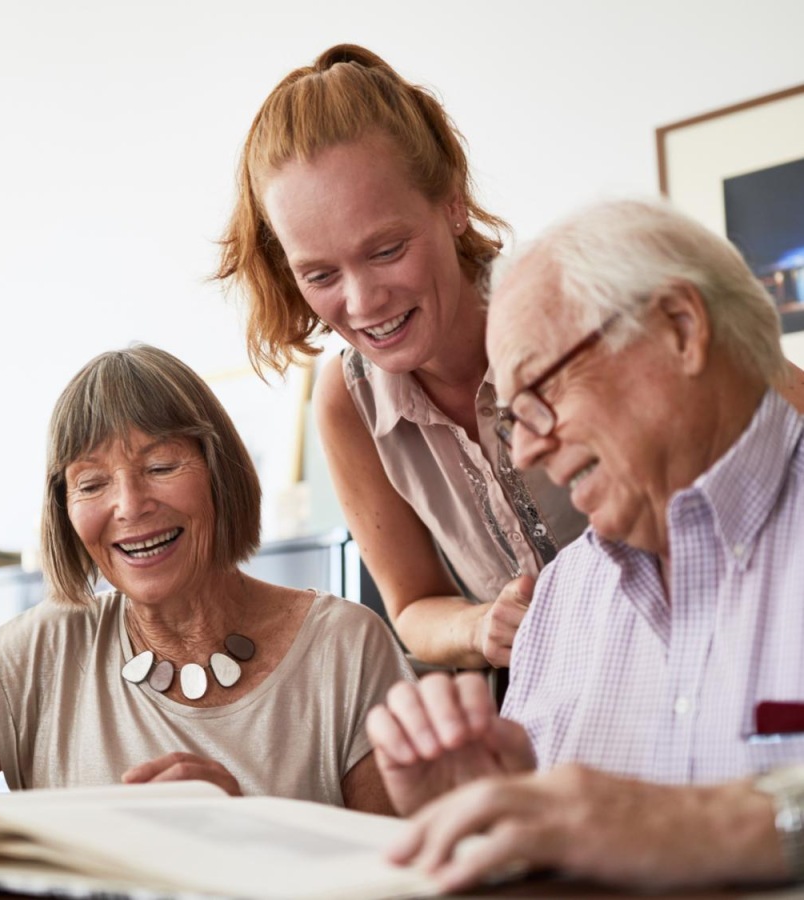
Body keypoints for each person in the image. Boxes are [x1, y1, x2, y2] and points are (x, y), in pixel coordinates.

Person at [217, 43, 804, 672]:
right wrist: (479, 626)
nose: (362, 301)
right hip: (554, 696)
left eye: (386, 250)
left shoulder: (579, 302)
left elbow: (787, 417)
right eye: (320, 273)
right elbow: (412, 606)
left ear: (452, 201)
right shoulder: (346, 403)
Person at [365, 197, 804, 890]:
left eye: (541, 393)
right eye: (514, 421)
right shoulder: (561, 599)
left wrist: (719, 824)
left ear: (680, 328)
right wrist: (494, 837)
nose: (529, 451)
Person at [0, 343, 414, 811]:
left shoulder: (347, 647)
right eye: (92, 483)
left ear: (219, 471)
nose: (128, 506)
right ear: (65, 510)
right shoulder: (41, 651)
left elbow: (412, 877)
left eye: (161, 466)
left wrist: (254, 836)